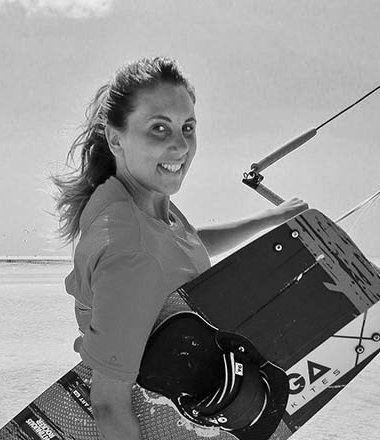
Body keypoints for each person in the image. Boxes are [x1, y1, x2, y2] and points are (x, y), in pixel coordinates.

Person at [52, 57, 308, 440]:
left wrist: (269, 219)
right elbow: (108, 404)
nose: (181, 145)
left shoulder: (140, 202)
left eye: (188, 127)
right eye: (159, 128)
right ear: (116, 139)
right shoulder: (130, 251)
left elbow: (184, 242)